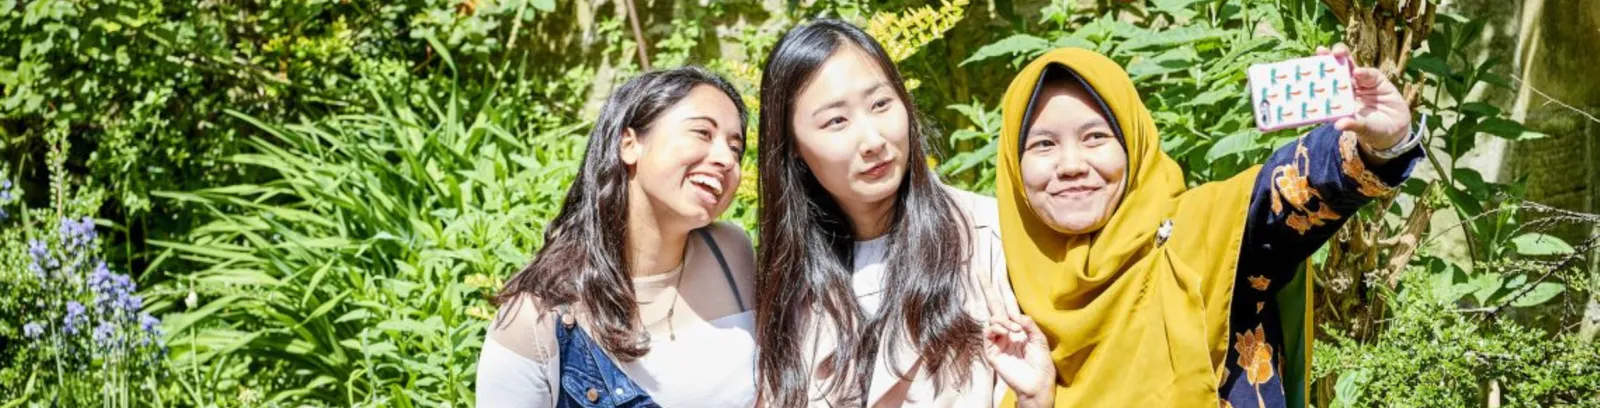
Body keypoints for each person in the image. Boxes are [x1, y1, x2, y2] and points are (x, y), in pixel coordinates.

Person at [992, 45, 1423, 407]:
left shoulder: (1198, 233)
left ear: (1135, 145)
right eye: (1043, 144)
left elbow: (1283, 192)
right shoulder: (994, 289)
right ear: (1014, 165)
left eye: (1095, 138)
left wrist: (1378, 145)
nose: (1071, 165)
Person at [752, 18, 1054, 408]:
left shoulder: (991, 238)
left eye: (881, 104)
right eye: (836, 121)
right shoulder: (784, 280)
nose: (874, 140)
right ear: (792, 145)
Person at [475, 66, 759, 408]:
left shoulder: (731, 251)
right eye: (702, 133)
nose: (726, 159)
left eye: (735, 148)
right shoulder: (537, 317)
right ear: (629, 144)